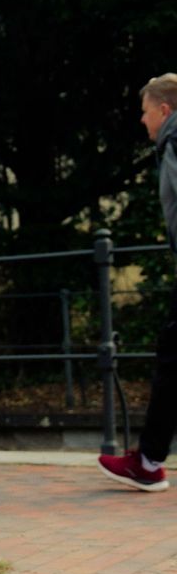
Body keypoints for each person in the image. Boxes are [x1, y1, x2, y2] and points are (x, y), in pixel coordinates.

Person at [98, 73, 177, 492]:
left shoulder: (175, 140)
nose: (142, 121)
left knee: (172, 359)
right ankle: (148, 460)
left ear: (164, 110)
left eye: (145, 112)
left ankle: (147, 461)